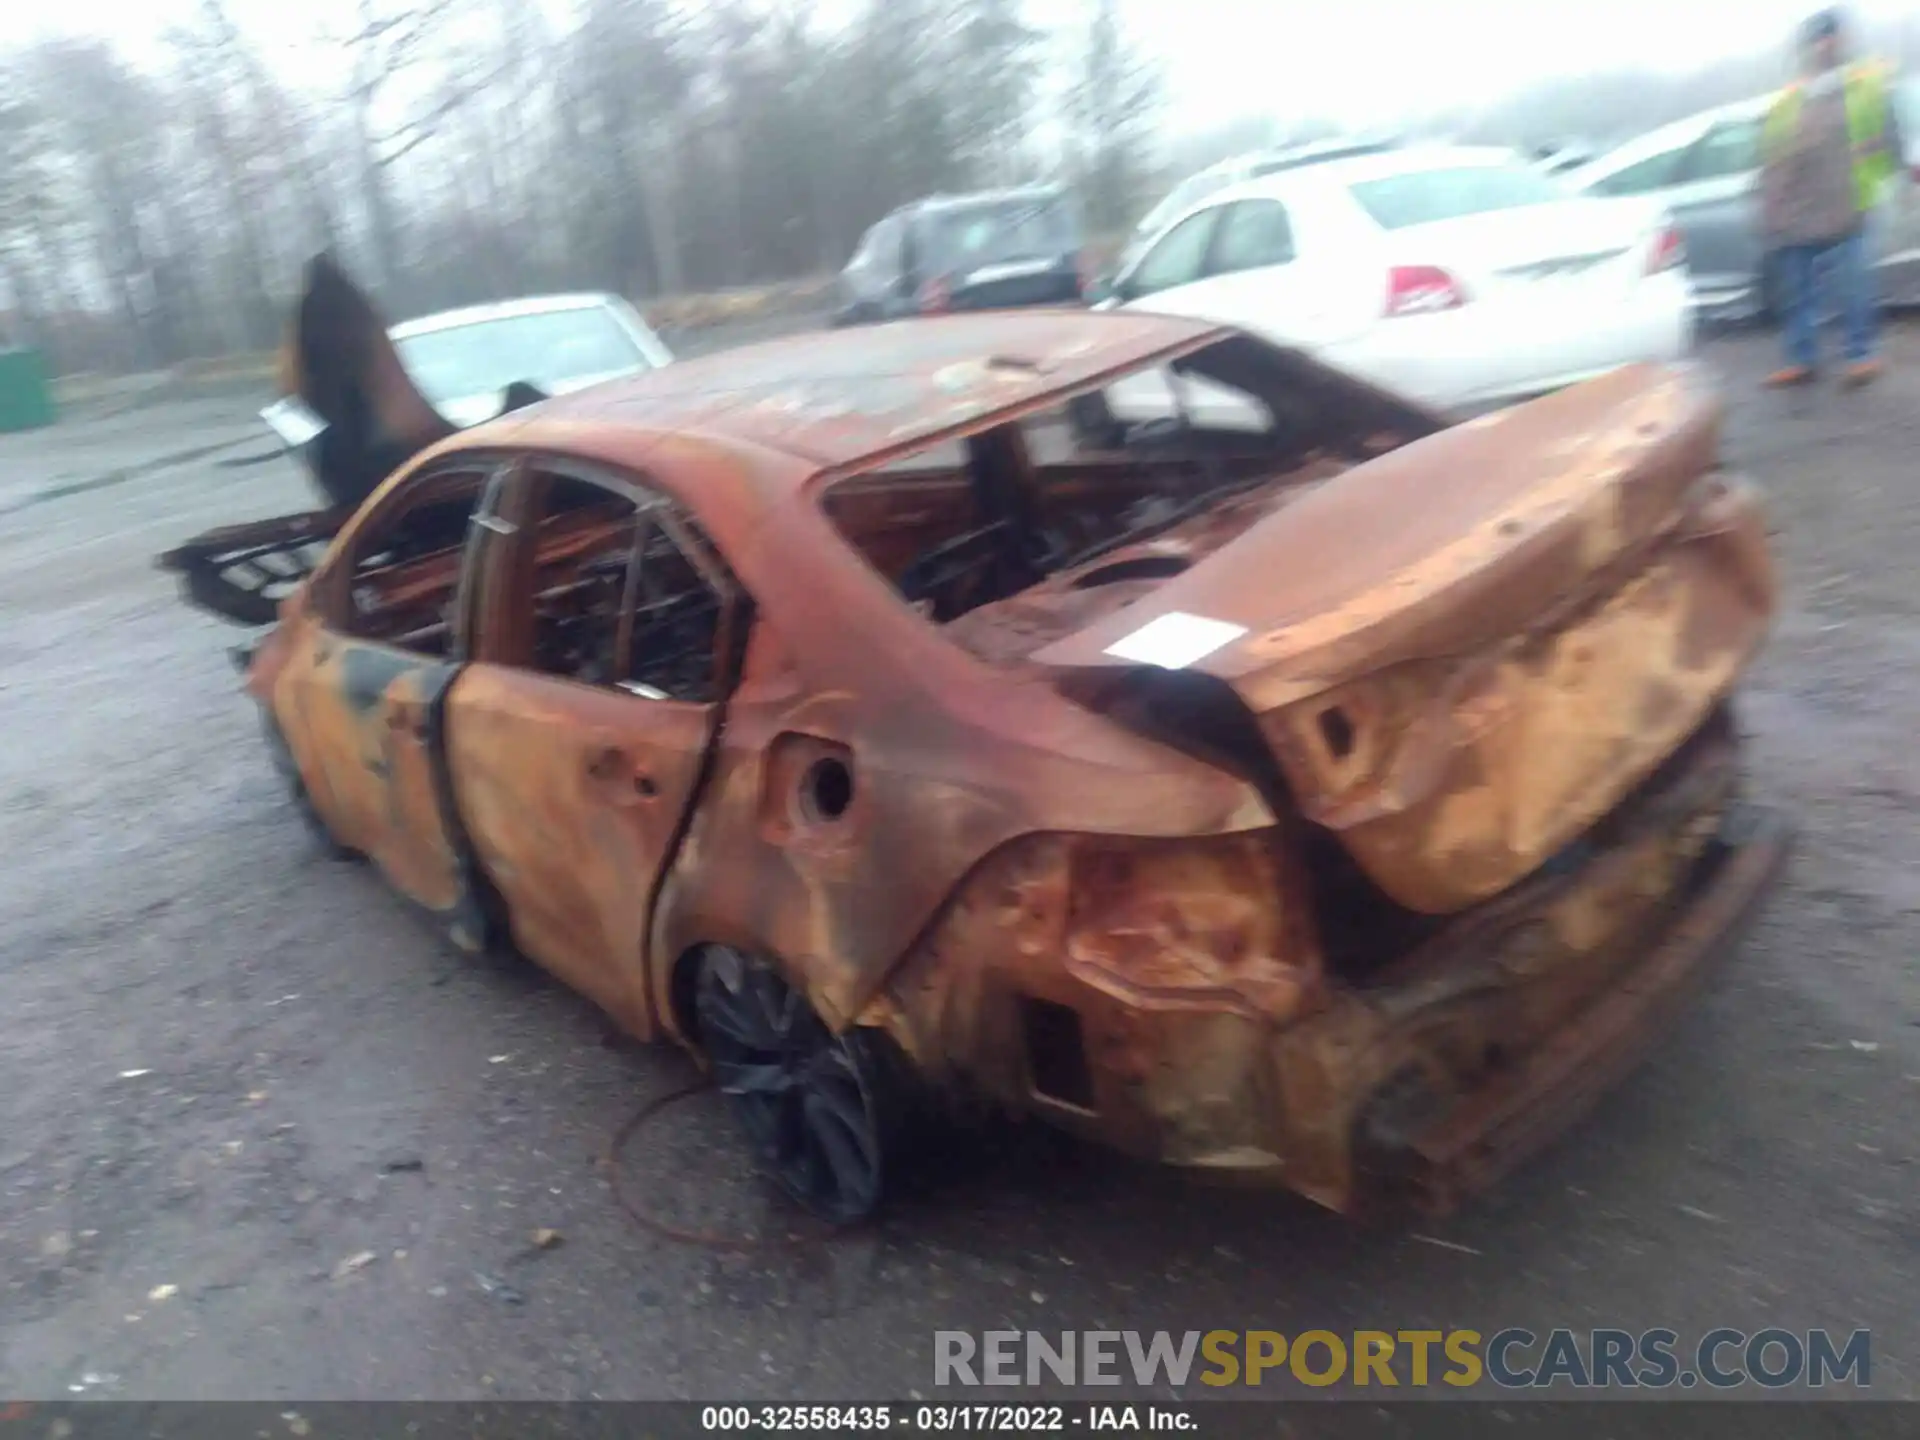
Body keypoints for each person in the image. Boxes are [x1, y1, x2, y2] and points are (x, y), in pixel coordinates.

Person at [1759, 7, 1903, 388]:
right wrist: (1771, 201)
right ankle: (1800, 359)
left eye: (1830, 37)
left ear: (1841, 40)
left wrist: (1890, 179)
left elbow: (1889, 137)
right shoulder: (1790, 97)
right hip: (1796, 211)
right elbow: (1774, 152)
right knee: (1797, 293)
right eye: (1817, 39)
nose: (1823, 46)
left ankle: (1861, 355)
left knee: (1854, 288)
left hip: (1847, 203)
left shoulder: (1865, 84)